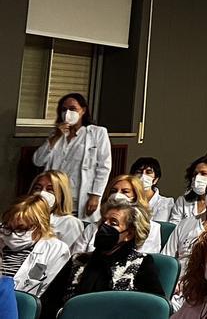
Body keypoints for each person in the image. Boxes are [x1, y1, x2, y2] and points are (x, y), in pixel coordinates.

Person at [40, 198, 163, 317]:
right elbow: (48, 302)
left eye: (113, 223)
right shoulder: (78, 260)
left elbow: (154, 308)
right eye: (103, 221)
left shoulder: (141, 263)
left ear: (129, 234)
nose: (104, 226)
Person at [31, 93, 111, 222]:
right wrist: (56, 137)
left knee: (78, 229)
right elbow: (38, 161)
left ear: (83, 110)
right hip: (55, 195)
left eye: (73, 109)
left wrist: (96, 195)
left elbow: (104, 166)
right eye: (64, 109)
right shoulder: (56, 135)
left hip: (80, 195)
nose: (67, 113)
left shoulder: (97, 133)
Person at [0, 196, 71, 297]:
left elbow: (45, 294)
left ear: (40, 227)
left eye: (21, 229)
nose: (12, 234)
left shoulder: (56, 250)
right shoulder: (2, 237)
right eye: (9, 227)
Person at [73, 174, 163, 254]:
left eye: (125, 191)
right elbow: (76, 257)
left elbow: (142, 259)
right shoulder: (93, 227)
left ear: (136, 197)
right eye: (113, 191)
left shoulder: (152, 229)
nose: (117, 195)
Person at [28, 171, 85, 250]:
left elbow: (68, 257)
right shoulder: (20, 217)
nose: (42, 193)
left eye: (50, 190)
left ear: (61, 195)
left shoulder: (70, 223)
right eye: (37, 188)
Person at [169, 157, 207, 225]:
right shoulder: (183, 201)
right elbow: (174, 226)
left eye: (203, 173)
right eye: (195, 174)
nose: (197, 178)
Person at [129, 157, 173, 223]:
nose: (143, 176)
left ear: (155, 179)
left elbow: (159, 227)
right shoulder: (126, 200)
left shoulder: (165, 203)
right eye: (139, 172)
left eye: (148, 172)